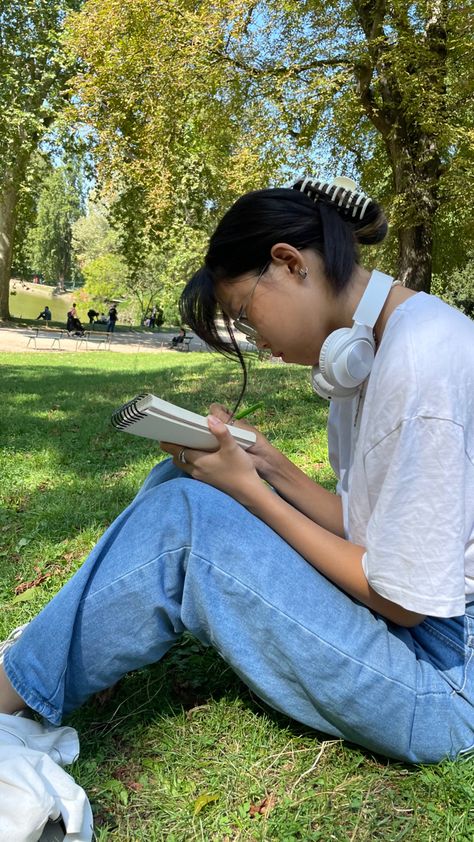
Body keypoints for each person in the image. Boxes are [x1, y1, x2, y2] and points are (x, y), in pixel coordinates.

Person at [1, 175, 474, 840]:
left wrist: (249, 493)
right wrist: (270, 466)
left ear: (288, 262)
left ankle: (11, 690)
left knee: (188, 520)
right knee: (179, 485)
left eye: (246, 316)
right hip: (422, 635)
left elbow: (404, 600)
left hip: (447, 683)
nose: (256, 341)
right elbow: (366, 525)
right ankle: (42, 659)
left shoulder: (422, 359)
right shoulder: (367, 353)